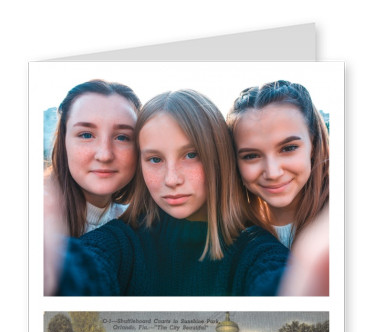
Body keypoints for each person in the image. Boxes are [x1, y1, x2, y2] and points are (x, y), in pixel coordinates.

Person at [46, 89, 289, 296]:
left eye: (191, 155)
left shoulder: (257, 251)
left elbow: (280, 284)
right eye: (154, 159)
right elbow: (86, 266)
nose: (171, 179)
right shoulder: (122, 241)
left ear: (218, 157)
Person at [227, 80, 329, 250]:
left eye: (288, 148)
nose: (273, 173)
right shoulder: (232, 236)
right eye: (251, 156)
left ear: (314, 144)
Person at [47, 79, 141, 237]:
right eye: (86, 135)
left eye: (122, 137)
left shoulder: (139, 227)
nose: (104, 155)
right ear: (64, 142)